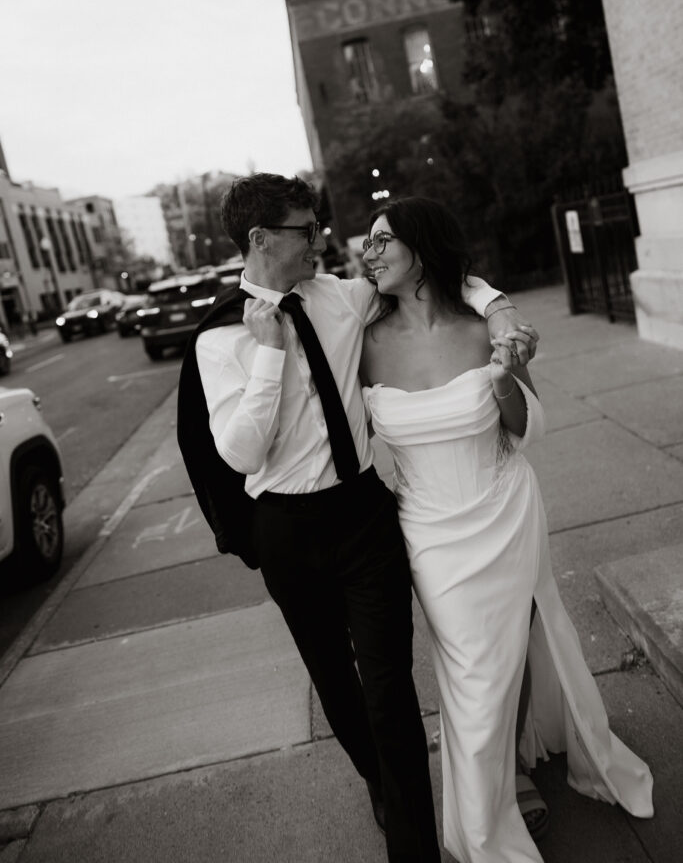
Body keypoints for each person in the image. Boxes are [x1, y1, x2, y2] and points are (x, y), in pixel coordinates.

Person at [177, 173, 538, 863]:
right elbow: (240, 454)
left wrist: (497, 311)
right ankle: (377, 779)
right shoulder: (218, 340)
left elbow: (437, 276)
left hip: (363, 515)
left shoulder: (343, 298)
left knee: (388, 688)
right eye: (304, 230)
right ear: (260, 240)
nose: (319, 240)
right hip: (283, 525)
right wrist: (270, 357)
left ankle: (413, 845)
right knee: (336, 686)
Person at [359, 196, 654, 863]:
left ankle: (515, 768)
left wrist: (500, 381)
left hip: (503, 506)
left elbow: (529, 430)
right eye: (366, 244)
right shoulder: (363, 338)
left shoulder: (481, 330)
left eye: (382, 241)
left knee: (516, 645)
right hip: (428, 529)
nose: (368, 254)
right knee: (472, 669)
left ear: (421, 248)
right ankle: (484, 818)